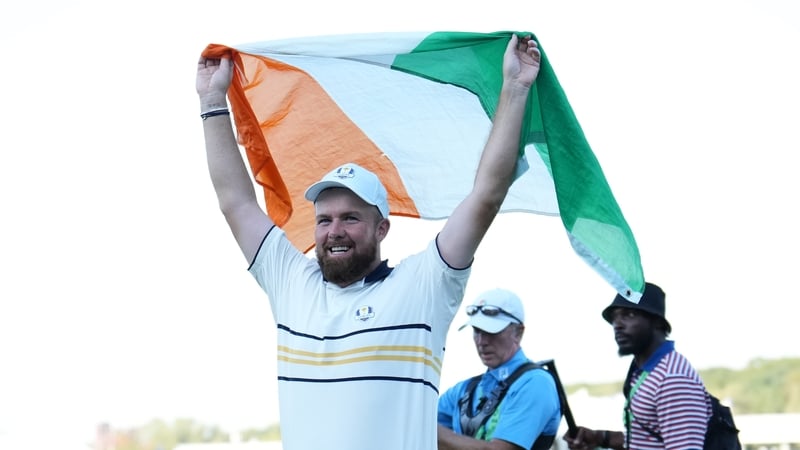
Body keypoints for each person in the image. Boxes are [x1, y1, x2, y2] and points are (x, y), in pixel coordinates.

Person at [195, 35, 542, 450]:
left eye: (350, 218)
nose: (334, 230)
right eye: (324, 220)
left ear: (381, 229)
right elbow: (234, 201)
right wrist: (212, 99)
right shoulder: (291, 283)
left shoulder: (423, 286)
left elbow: (486, 194)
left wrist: (516, 88)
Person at [563, 282, 712, 450]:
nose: (617, 325)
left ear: (657, 322)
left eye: (630, 314)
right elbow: (648, 440)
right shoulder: (645, 372)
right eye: (614, 318)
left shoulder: (672, 378)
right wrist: (600, 438)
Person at [438, 288, 562, 450]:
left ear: (518, 332)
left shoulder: (536, 383)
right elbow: (415, 424)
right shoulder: (463, 389)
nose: (482, 341)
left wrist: (438, 435)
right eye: (477, 331)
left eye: (491, 331)